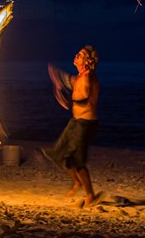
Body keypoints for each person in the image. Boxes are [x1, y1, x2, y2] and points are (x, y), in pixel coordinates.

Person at [42, 45, 102, 207]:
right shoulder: (80, 76)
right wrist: (57, 78)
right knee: (59, 155)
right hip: (75, 122)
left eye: (81, 54)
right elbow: (70, 81)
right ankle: (78, 182)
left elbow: (84, 98)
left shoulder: (88, 77)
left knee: (77, 161)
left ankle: (91, 195)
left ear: (88, 61)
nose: (76, 55)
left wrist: (66, 100)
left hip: (85, 124)